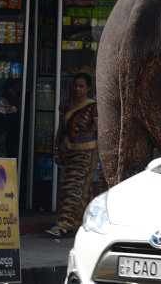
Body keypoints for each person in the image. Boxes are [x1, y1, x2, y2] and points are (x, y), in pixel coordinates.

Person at [46, 73, 99, 237]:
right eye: (75, 86)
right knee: (79, 188)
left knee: (73, 186)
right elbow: (61, 130)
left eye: (81, 86)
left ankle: (63, 224)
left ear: (88, 88)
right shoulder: (67, 105)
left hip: (88, 151)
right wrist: (56, 150)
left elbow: (100, 131)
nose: (77, 89)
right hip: (69, 150)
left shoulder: (92, 106)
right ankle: (84, 223)